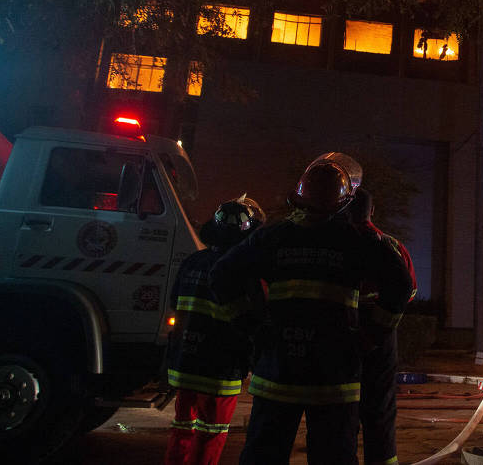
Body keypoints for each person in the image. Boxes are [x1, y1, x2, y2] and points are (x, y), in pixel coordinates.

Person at [211, 153, 413, 465]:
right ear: (346, 202)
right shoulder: (357, 242)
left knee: (263, 455)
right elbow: (400, 284)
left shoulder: (273, 236)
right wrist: (371, 335)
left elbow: (222, 274)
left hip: (278, 372)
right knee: (333, 457)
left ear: (298, 199)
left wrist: (251, 328)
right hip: (333, 379)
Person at [164, 195, 265, 465]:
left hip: (185, 363)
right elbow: (253, 319)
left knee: (183, 427)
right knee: (212, 433)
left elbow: (176, 304)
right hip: (220, 368)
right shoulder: (244, 270)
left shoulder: (193, 262)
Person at [348, 187, 417, 465]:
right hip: (382, 336)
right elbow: (408, 290)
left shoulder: (338, 243)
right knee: (380, 412)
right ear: (372, 211)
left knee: (343, 411)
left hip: (343, 332)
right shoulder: (391, 245)